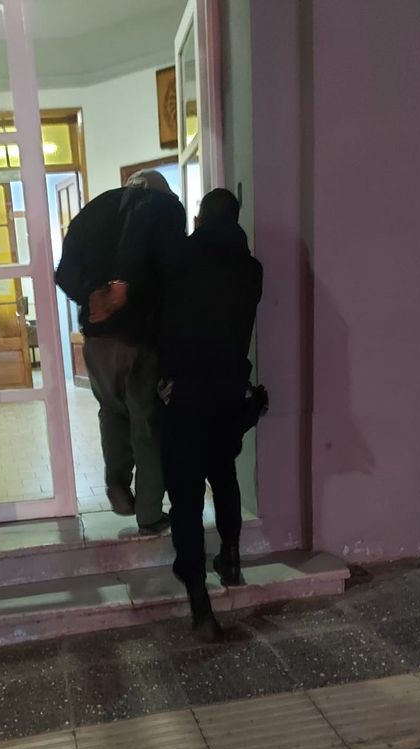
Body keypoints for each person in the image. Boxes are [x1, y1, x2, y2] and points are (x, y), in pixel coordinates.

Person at [158, 188, 265, 641]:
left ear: (200, 219)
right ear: (236, 220)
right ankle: (232, 559)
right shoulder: (252, 270)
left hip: (185, 392)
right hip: (229, 391)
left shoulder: (178, 260)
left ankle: (200, 603)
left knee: (185, 496)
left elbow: (162, 319)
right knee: (224, 475)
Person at [55, 171, 186, 534]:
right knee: (147, 425)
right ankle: (149, 513)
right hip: (140, 338)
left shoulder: (95, 210)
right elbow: (174, 275)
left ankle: (118, 489)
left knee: (111, 412)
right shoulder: (165, 208)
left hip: (96, 340)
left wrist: (91, 294)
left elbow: (63, 273)